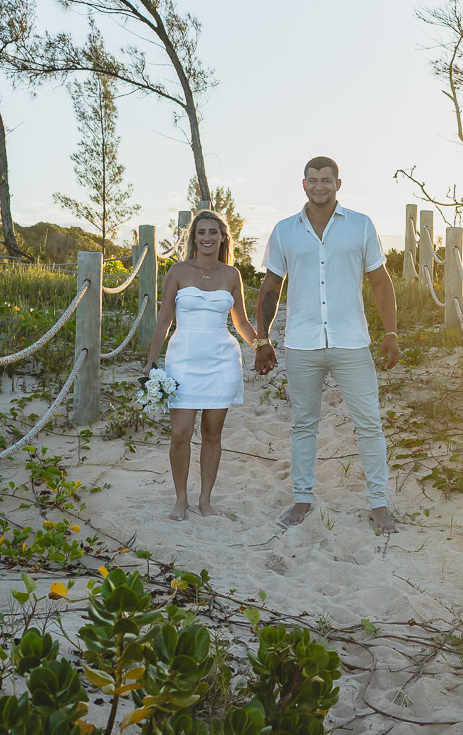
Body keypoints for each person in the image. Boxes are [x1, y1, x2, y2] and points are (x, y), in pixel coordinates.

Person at [254, 157, 399, 534]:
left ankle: (379, 503)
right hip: (302, 343)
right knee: (304, 424)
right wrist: (262, 339)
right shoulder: (285, 230)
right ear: (303, 184)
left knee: (369, 423)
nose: (320, 185)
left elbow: (381, 282)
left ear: (338, 184)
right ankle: (302, 499)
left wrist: (391, 333)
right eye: (313, 180)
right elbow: (271, 287)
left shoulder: (360, 225)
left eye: (326, 180)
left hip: (351, 342)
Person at [144, 209, 257, 521]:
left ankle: (205, 500)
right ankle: (181, 499)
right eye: (201, 232)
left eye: (213, 232)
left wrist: (262, 346)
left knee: (212, 434)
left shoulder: (232, 275)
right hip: (183, 359)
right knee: (180, 433)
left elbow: (241, 322)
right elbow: (164, 320)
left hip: (221, 361)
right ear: (193, 238)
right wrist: (152, 360)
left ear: (222, 237)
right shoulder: (179, 271)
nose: (207, 238)